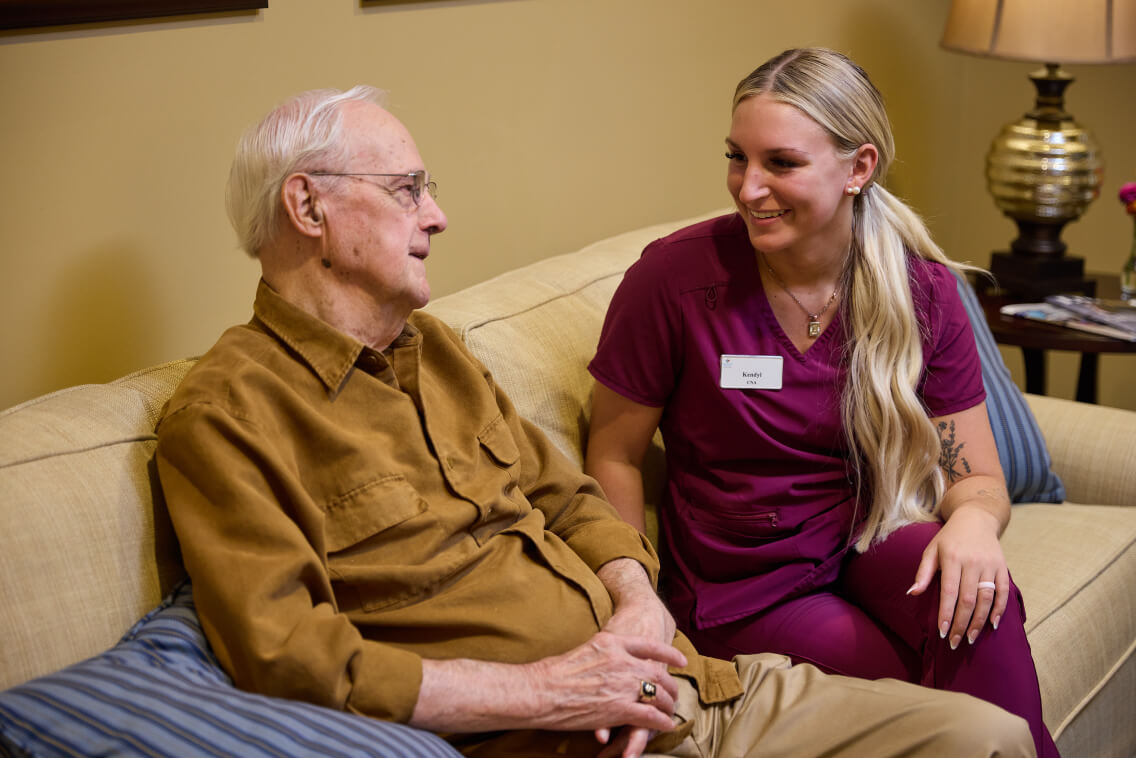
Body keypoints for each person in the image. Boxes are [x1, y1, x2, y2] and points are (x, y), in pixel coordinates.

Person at [154, 84, 1036, 758]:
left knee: (989, 738)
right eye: (408, 189)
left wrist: (638, 608)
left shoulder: (437, 352)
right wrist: (550, 691)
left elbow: (571, 499)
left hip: (688, 681)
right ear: (308, 207)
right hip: (580, 731)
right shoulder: (229, 413)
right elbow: (286, 653)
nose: (438, 216)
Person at [585, 47, 1058, 758]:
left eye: (781, 163)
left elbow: (977, 477)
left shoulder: (922, 290)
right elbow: (614, 455)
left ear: (858, 167)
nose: (749, 188)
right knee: (929, 699)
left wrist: (972, 524)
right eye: (737, 158)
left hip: (865, 534)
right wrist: (636, 594)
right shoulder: (674, 280)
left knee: (980, 598)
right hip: (744, 579)